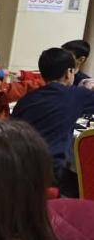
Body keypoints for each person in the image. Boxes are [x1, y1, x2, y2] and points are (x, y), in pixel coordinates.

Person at [12, 47, 94, 197]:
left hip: (18, 167)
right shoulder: (77, 95)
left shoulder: (26, 100)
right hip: (51, 172)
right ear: (69, 72)